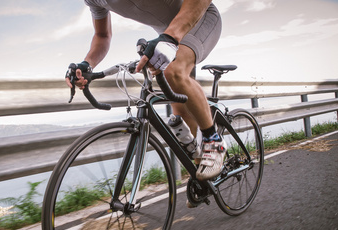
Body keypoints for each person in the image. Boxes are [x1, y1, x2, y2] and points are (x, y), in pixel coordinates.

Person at [67, 0, 226, 198]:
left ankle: (214, 140)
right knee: (182, 121)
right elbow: (102, 35)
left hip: (199, 17)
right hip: (167, 31)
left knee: (173, 72)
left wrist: (169, 37)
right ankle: (201, 175)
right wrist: (87, 64)